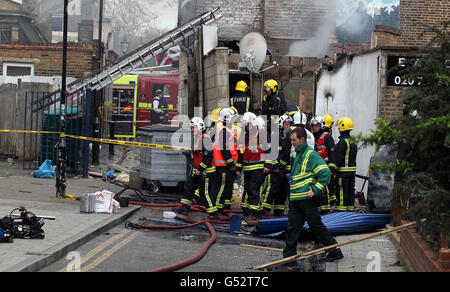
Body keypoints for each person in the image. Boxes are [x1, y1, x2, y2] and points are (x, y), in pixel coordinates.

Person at [283, 127, 344, 262]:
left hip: (306, 200)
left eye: (294, 140)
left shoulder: (311, 154)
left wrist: (315, 189)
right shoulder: (298, 154)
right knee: (293, 227)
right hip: (296, 198)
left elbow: (325, 173)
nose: (292, 143)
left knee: (316, 227)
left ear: (303, 140)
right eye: (291, 140)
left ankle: (334, 251)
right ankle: (289, 255)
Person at [174, 117, 219, 220]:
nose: (192, 130)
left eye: (193, 128)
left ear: (199, 127)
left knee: (205, 194)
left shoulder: (205, 138)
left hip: (205, 173)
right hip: (197, 171)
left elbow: (209, 157)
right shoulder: (199, 138)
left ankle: (214, 214)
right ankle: (184, 208)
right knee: (189, 188)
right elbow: (198, 154)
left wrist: (200, 169)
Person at [261, 114, 293, 217]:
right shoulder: (275, 135)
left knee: (283, 191)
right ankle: (265, 208)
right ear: (281, 124)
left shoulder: (291, 136)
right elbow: (271, 153)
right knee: (272, 188)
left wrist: (283, 168)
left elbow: (288, 154)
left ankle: (279, 210)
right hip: (275, 168)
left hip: (285, 169)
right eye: (285, 124)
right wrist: (273, 166)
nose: (287, 126)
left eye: (289, 124)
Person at [213, 107, 243, 216]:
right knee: (222, 188)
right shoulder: (224, 131)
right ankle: (217, 209)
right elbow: (224, 149)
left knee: (227, 187)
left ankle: (224, 208)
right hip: (223, 165)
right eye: (232, 118)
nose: (233, 120)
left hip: (227, 165)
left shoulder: (227, 130)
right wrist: (231, 164)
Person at [239, 112, 267, 220]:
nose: (246, 127)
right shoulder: (245, 135)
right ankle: (254, 210)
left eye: (247, 124)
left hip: (258, 167)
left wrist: (268, 165)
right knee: (248, 189)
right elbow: (241, 152)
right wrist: (238, 167)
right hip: (247, 167)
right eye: (245, 125)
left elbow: (268, 150)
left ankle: (253, 211)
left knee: (253, 189)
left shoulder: (260, 133)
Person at [311, 115, 338, 214]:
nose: (315, 127)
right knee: (317, 189)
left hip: (326, 167)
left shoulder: (327, 137)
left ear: (321, 125)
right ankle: (319, 210)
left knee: (326, 189)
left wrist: (331, 168)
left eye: (317, 125)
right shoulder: (312, 137)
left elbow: (332, 153)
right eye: (313, 125)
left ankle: (327, 209)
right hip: (315, 168)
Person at [335, 117, 357, 212]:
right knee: (350, 191)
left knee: (342, 192)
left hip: (343, 172)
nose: (338, 129)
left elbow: (339, 158)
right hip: (352, 171)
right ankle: (350, 210)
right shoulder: (353, 141)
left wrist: (334, 170)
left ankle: (341, 211)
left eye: (339, 127)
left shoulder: (342, 142)